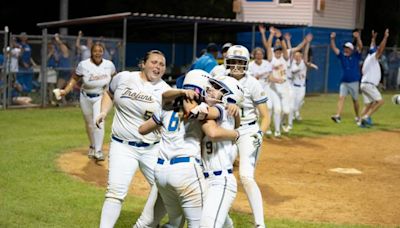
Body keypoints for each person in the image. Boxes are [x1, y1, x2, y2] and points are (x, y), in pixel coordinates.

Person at [95, 50, 171, 228]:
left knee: (166, 189)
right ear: (143, 64)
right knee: (115, 192)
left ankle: (152, 223)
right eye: (154, 62)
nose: (157, 66)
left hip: (153, 148)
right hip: (123, 146)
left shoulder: (166, 91)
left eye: (161, 64)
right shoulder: (123, 78)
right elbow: (109, 93)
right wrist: (103, 112)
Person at [224, 45, 270, 227]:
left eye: (240, 62)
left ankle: (260, 224)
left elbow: (266, 116)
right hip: (226, 131)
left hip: (248, 131)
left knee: (246, 176)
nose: (236, 66)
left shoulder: (253, 83)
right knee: (220, 175)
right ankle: (222, 218)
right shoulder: (220, 79)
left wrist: (260, 133)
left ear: (246, 64)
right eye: (233, 62)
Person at [58, 43, 116, 161]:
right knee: (89, 124)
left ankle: (98, 151)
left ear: (103, 52)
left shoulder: (109, 65)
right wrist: (65, 90)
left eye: (100, 51)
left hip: (101, 96)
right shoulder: (83, 65)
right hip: (85, 96)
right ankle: (93, 145)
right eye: (95, 51)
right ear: (91, 52)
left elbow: (115, 78)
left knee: (98, 121)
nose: (98, 53)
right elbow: (74, 78)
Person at [330, 30, 363, 124]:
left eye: (347, 48)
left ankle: (357, 116)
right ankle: (338, 116)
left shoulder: (356, 56)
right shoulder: (342, 56)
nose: (345, 49)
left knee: (355, 100)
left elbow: (360, 46)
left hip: (354, 81)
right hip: (344, 81)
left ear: (351, 49)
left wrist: (358, 38)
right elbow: (334, 48)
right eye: (345, 48)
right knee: (341, 98)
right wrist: (332, 39)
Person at [359, 29, 389, 127]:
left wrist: (373, 38)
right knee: (380, 101)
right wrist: (385, 37)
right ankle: (366, 117)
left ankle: (360, 122)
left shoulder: (368, 58)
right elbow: (380, 49)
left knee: (368, 104)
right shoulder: (373, 57)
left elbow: (373, 46)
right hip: (369, 84)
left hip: (364, 84)